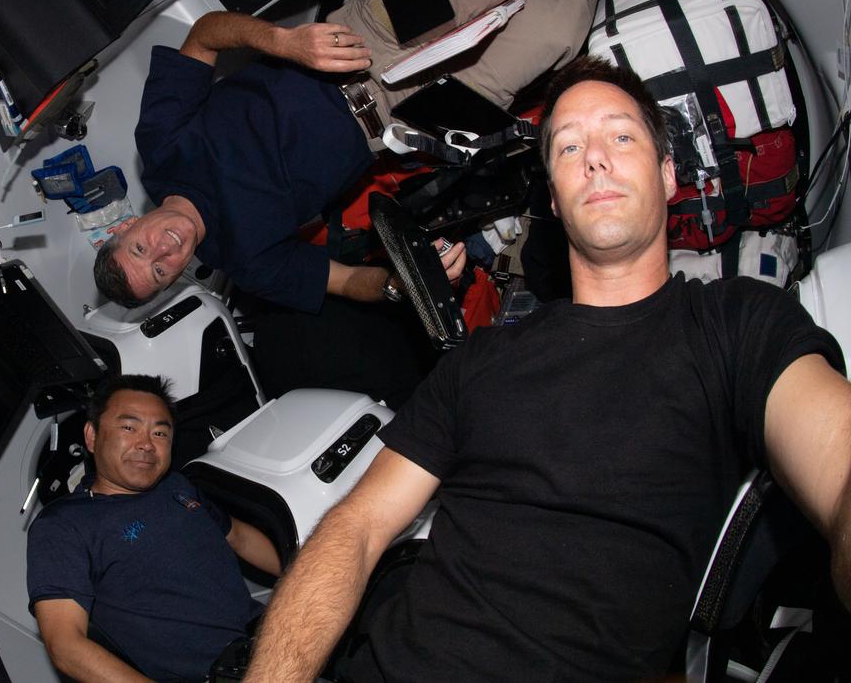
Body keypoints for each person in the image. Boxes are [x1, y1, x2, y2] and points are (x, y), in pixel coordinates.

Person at [243, 56, 851, 682]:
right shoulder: (482, 360)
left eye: (621, 136)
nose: (595, 158)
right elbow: (358, 526)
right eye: (568, 147)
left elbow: (839, 467)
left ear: (669, 175)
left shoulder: (738, 326)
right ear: (555, 201)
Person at [94, 0, 653, 313]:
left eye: (142, 248)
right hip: (407, 123)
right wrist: (401, 283)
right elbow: (342, 282)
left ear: (122, 228)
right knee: (561, 25)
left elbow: (205, 34)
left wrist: (285, 43)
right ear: (174, 282)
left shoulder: (162, 142)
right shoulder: (249, 263)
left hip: (356, 37)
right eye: (161, 270)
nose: (164, 249)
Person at [26, 374, 281, 683]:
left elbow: (239, 537)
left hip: (271, 632)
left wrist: (307, 576)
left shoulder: (177, 485)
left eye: (160, 433)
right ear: (92, 437)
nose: (146, 444)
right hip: (220, 671)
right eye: (129, 428)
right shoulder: (65, 525)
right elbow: (66, 645)